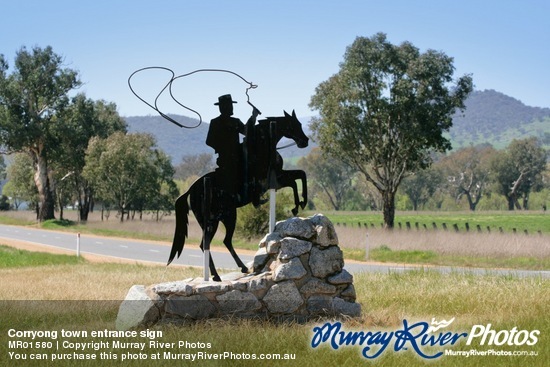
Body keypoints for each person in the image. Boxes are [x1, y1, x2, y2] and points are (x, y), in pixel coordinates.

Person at [206, 94, 259, 205]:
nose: (231, 108)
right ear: (223, 107)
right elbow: (209, 141)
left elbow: (246, 131)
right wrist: (223, 148)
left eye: (231, 106)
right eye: (229, 106)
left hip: (237, 156)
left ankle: (254, 195)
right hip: (225, 158)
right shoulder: (215, 122)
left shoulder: (235, 121)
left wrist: (253, 117)